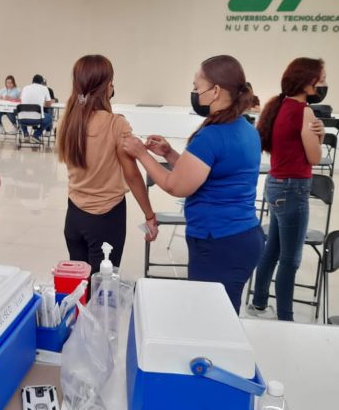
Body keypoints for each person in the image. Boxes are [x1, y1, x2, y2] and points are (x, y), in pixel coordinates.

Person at [123, 55, 263, 313]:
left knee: (212, 317)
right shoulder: (245, 129)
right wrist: (168, 154)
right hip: (243, 237)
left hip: (219, 243)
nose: (195, 93)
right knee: (223, 312)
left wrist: (141, 154)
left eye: (197, 88)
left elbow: (176, 186)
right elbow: (206, 173)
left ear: (216, 91)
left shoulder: (212, 135)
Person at [58, 55, 158, 277]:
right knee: (102, 292)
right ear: (106, 86)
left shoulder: (67, 123)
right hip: (106, 219)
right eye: (112, 80)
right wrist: (149, 215)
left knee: (80, 288)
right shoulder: (116, 124)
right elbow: (132, 176)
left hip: (73, 217)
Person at [248, 58, 327, 321]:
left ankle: (259, 303)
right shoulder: (303, 111)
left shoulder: (279, 105)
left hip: (276, 184)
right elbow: (314, 157)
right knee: (291, 259)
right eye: (321, 78)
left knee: (273, 249)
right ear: (308, 82)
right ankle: (286, 318)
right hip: (293, 188)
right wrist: (322, 134)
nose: (324, 84)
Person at [18, 74, 53, 144]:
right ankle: (36, 135)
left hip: (22, 120)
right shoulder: (44, 88)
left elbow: (21, 100)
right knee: (50, 118)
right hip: (37, 119)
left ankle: (26, 134)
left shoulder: (25, 88)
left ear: (32, 81)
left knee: (22, 114)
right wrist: (41, 103)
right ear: (41, 82)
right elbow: (48, 104)